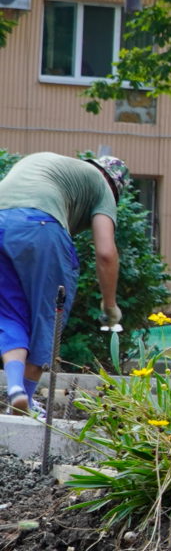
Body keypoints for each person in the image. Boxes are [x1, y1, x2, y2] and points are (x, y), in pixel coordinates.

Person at [0, 152, 124, 417]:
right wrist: (110, 305)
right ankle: (28, 400)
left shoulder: (53, 166)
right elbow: (105, 252)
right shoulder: (103, 187)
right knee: (46, 319)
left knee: (10, 315)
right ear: (114, 185)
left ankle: (16, 391)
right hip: (40, 226)